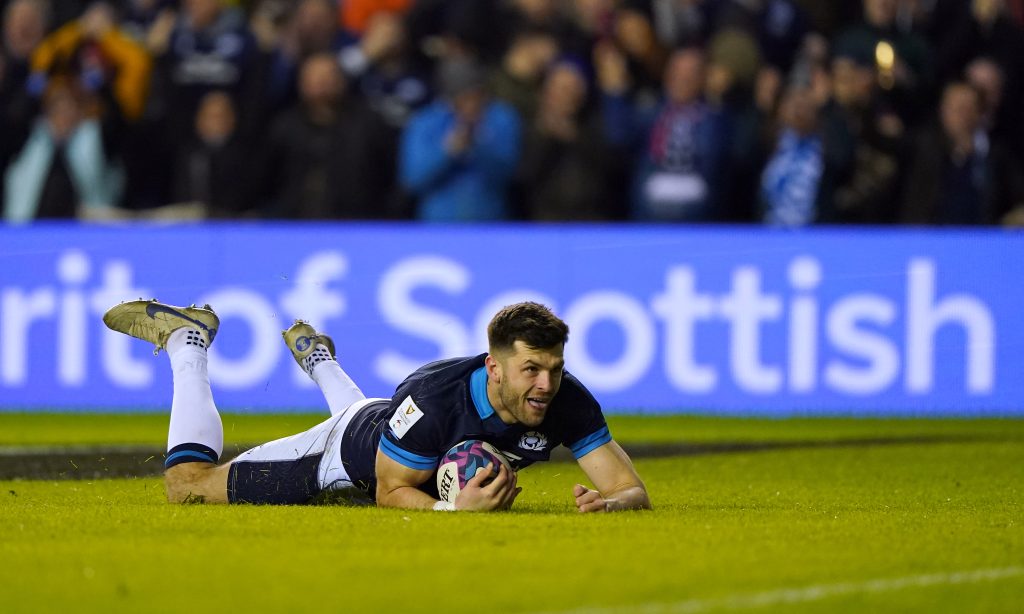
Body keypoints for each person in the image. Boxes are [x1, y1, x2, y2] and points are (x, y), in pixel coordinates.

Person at [101, 299, 652, 513]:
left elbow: (630, 489)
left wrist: (613, 506)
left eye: (553, 369)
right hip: (342, 458)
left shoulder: (566, 398)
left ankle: (319, 359)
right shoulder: (436, 398)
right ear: (495, 367)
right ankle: (187, 343)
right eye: (531, 369)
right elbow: (390, 492)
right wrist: (449, 511)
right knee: (188, 486)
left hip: (392, 425)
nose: (544, 384)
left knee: (390, 421)